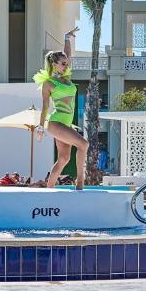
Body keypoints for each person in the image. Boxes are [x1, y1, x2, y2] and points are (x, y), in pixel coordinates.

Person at [35, 27, 89, 189]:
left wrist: (67, 38)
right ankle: (80, 183)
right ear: (54, 64)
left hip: (65, 124)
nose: (66, 65)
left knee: (64, 159)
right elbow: (45, 106)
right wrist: (40, 127)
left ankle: (49, 188)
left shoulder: (66, 78)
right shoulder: (49, 83)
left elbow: (68, 55)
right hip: (56, 123)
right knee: (83, 144)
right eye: (63, 64)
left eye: (66, 63)